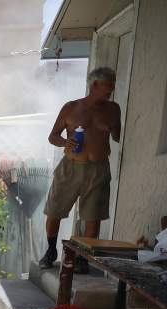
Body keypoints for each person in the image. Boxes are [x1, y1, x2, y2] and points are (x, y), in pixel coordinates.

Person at [40, 67, 121, 272]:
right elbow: (53, 137)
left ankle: (83, 258)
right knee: (54, 210)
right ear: (94, 85)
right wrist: (65, 143)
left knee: (92, 215)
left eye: (113, 84)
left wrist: (112, 129)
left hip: (98, 168)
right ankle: (50, 251)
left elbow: (117, 136)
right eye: (108, 85)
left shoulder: (113, 109)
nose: (112, 88)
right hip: (71, 167)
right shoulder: (71, 108)